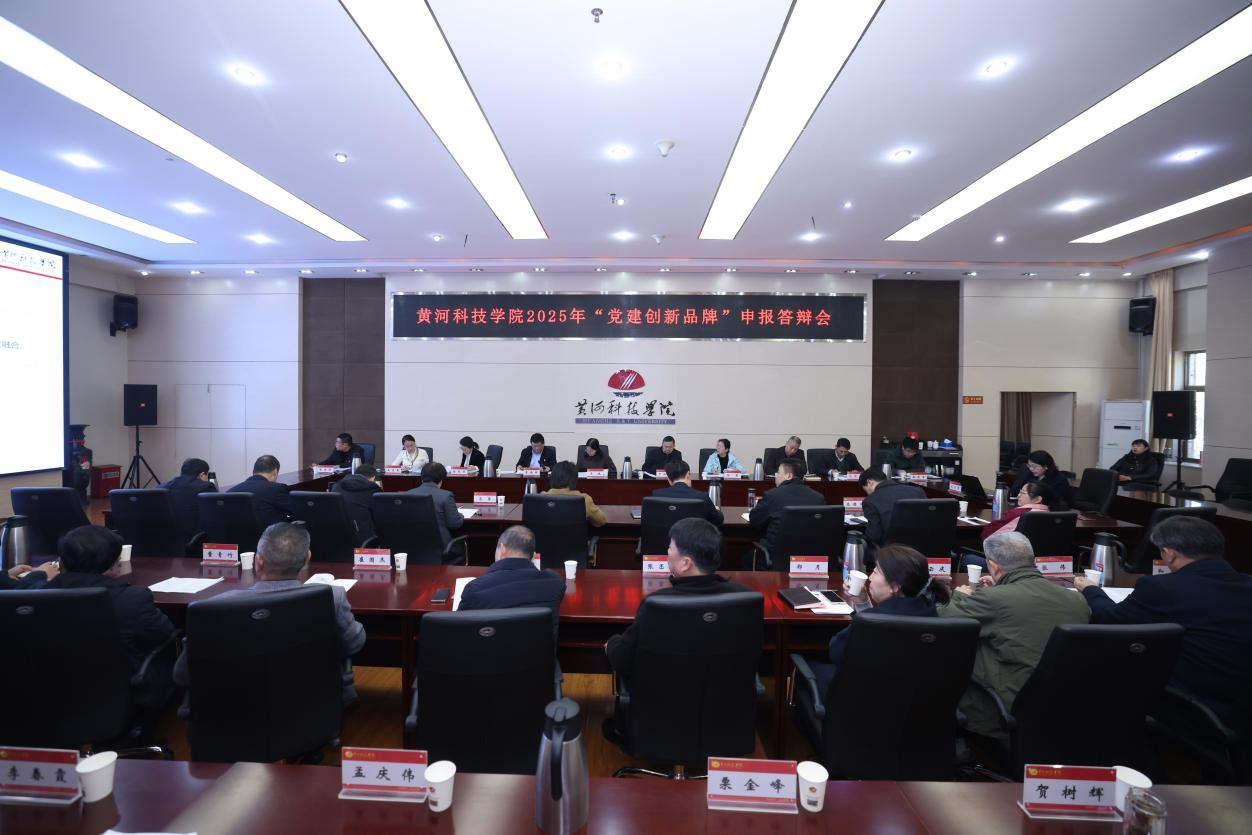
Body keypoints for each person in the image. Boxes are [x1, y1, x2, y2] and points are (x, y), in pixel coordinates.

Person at [1075, 516, 1252, 735]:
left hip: (1200, 708)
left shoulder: (1164, 588)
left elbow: (1111, 618)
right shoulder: (1247, 584)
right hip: (1239, 705)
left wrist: (1090, 590)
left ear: (1169, 554)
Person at [173, 523, 366, 704]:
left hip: (232, 712)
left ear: (258, 561)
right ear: (307, 559)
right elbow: (354, 643)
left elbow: (182, 674)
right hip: (310, 708)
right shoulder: (332, 597)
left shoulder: (212, 609)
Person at [938, 532, 1090, 742]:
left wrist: (959, 595)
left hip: (1002, 710)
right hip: (1063, 710)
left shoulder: (994, 598)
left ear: (993, 566)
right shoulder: (1077, 600)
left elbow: (945, 619)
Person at [605, 518, 749, 683]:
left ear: (685, 563)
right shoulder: (744, 598)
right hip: (726, 694)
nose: (667, 551)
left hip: (664, 696)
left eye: (670, 547)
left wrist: (612, 643)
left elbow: (622, 660)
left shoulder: (657, 604)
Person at [49, 525, 176, 709]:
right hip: (121, 689)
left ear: (61, 562)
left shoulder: (39, 593)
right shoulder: (133, 599)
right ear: (114, 565)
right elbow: (165, 634)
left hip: (55, 687)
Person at [809, 545, 951, 696]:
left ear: (894, 587)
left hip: (861, 698)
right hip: (911, 701)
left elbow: (837, 652)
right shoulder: (931, 613)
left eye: (876, 571)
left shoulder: (874, 621)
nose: (870, 577)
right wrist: (863, 603)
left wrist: (865, 612)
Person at [459, 525, 566, 624]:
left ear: (502, 550)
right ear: (533, 557)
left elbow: (460, 625)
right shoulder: (555, 582)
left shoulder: (474, 589)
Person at [748, 457, 825, 566]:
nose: (775, 475)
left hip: (776, 557)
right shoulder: (818, 498)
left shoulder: (772, 495)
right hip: (810, 560)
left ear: (789, 476)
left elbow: (755, 520)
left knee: (746, 560)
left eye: (778, 472)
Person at [407, 463, 466, 559]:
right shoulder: (446, 496)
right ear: (441, 480)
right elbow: (454, 524)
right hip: (443, 550)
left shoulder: (408, 494)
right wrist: (461, 515)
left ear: (421, 478)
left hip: (414, 550)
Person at [859, 470, 926, 546]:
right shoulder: (918, 491)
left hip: (891, 549)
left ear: (869, 482)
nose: (868, 494)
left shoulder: (870, 500)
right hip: (922, 545)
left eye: (866, 490)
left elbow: (874, 535)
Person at [160, 457, 215, 542]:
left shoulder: (162, 487)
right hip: (195, 541)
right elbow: (215, 516)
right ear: (202, 474)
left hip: (166, 540)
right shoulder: (206, 487)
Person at [654, 459, 723, 526]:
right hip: (694, 534)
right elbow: (718, 521)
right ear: (688, 474)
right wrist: (717, 511)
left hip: (666, 534)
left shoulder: (657, 495)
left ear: (668, 479)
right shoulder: (702, 497)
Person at [229, 454, 290, 527]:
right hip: (272, 534)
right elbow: (295, 511)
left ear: (253, 472)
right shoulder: (277, 489)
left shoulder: (231, 492)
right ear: (275, 473)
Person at [979, 481, 1053, 540]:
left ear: (1037, 499)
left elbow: (987, 534)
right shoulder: (1051, 516)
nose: (1018, 495)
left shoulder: (1020, 513)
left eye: (1023, 493)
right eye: (1020, 492)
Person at [543, 461, 607, 527]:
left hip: (546, 534)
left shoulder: (541, 498)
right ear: (574, 479)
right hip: (575, 533)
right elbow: (602, 520)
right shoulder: (584, 499)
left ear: (552, 478)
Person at [331, 463, 381, 546]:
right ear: (373, 477)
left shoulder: (336, 486)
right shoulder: (373, 489)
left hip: (337, 537)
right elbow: (379, 516)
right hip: (363, 539)